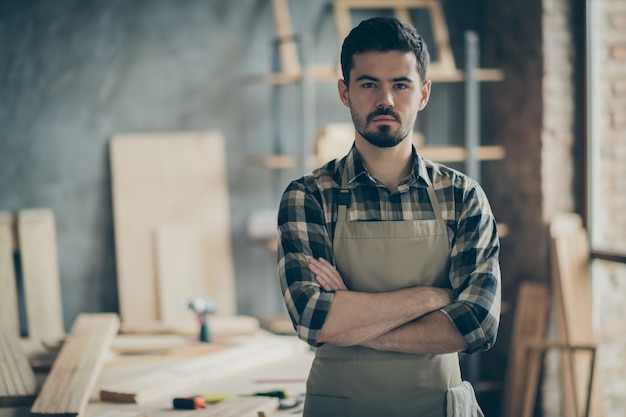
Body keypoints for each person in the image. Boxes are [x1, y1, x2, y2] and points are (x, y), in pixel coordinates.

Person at [277, 16, 501, 417]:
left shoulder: (463, 196)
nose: (386, 100)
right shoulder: (309, 196)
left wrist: (350, 315)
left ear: (424, 93)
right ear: (345, 92)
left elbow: (477, 325)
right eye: (368, 84)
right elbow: (314, 319)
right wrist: (431, 297)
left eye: (401, 84)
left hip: (437, 406)